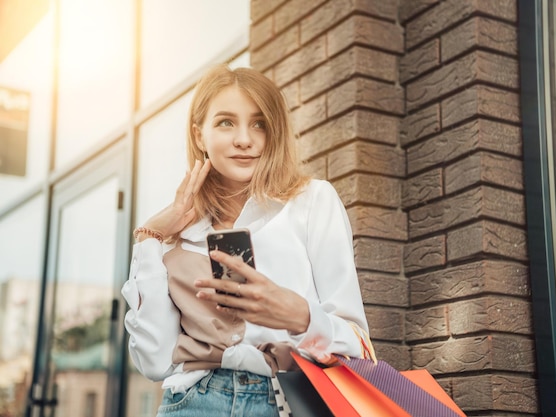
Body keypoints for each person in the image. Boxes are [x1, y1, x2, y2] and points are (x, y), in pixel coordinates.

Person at [122, 64, 371, 417]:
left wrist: (298, 315)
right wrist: (148, 237)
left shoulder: (311, 201)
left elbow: (357, 343)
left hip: (288, 400)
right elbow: (154, 361)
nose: (244, 139)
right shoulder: (176, 233)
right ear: (198, 135)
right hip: (194, 403)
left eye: (259, 124)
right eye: (226, 122)